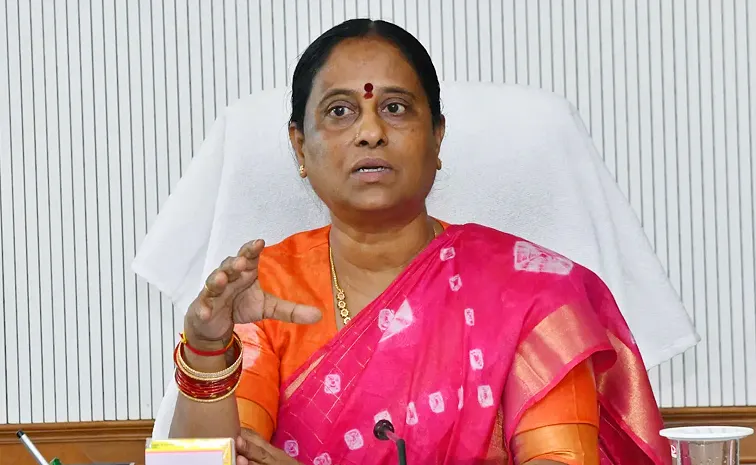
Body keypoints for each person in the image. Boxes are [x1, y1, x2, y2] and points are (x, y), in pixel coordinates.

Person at [168, 19, 670, 465]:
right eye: (340, 111)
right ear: (300, 147)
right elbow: (216, 461)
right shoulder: (268, 290)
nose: (370, 131)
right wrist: (209, 350)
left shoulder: (529, 296)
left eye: (395, 108)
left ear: (437, 136)